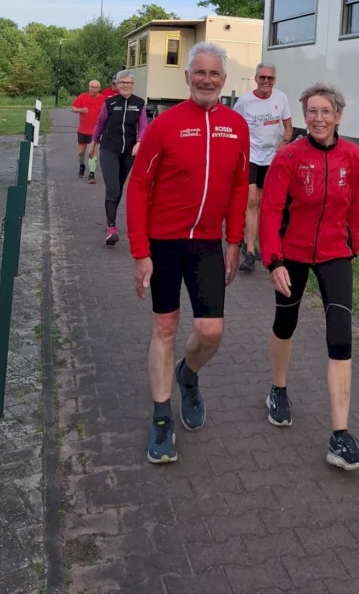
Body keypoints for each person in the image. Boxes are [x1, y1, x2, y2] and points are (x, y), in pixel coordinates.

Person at [126, 42, 250, 465]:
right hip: (163, 242)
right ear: (187, 77)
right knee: (165, 326)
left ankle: (188, 375)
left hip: (207, 244)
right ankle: (162, 417)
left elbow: (238, 187)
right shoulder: (164, 125)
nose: (207, 79)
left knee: (211, 331)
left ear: (224, 79)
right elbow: (138, 188)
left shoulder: (237, 126)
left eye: (215, 73)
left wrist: (235, 240)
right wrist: (140, 252)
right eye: (200, 72)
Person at [259, 82, 359, 471]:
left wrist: (353, 245)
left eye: (326, 112)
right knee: (285, 322)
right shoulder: (289, 157)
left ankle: (340, 436)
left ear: (338, 116)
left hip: (335, 254)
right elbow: (271, 211)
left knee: (341, 337)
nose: (318, 118)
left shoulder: (353, 155)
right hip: (292, 253)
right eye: (312, 112)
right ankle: (278, 389)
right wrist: (274, 261)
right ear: (304, 116)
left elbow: (356, 203)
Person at [233, 63, 293, 273]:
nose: (266, 81)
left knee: (260, 202)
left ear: (274, 80)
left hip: (270, 157)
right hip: (250, 154)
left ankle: (248, 240)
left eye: (270, 78)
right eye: (262, 78)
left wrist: (285, 142)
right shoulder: (244, 102)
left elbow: (288, 127)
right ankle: (250, 251)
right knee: (251, 200)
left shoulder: (281, 98)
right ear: (256, 78)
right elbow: (234, 125)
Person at [88, 72, 147, 246]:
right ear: (117, 84)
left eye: (129, 83)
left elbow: (143, 126)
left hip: (129, 152)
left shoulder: (139, 103)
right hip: (109, 149)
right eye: (122, 82)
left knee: (119, 188)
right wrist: (93, 143)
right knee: (112, 187)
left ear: (133, 84)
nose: (126, 85)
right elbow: (100, 123)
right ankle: (111, 227)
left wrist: (140, 141)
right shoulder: (110, 102)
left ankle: (109, 219)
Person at [70, 80, 104, 180]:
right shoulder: (83, 96)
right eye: (92, 87)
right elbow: (72, 108)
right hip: (82, 130)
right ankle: (82, 166)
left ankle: (91, 175)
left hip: (96, 131)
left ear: (99, 89)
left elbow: (107, 111)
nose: (94, 89)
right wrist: (81, 110)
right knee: (81, 153)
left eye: (96, 87)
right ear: (89, 87)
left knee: (92, 152)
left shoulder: (103, 99)